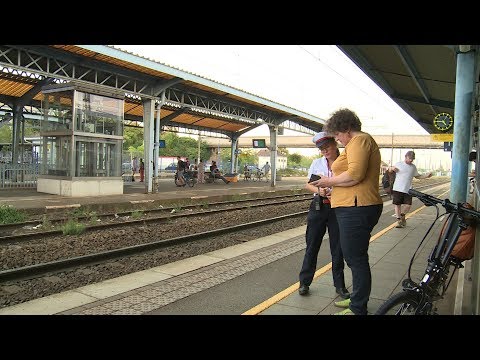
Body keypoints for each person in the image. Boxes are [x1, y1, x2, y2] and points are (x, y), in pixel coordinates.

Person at [310, 108, 383, 315]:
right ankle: (356, 299)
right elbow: (350, 178)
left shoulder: (359, 141)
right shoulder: (355, 143)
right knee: (353, 255)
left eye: (339, 135)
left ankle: (358, 307)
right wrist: (333, 189)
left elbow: (355, 175)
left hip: (357, 207)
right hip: (351, 206)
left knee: (355, 257)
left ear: (347, 129)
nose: (339, 141)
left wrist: (326, 181)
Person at [298, 132, 349, 300]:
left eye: (327, 147)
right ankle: (304, 282)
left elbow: (350, 182)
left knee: (338, 248)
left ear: (335, 144)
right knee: (312, 245)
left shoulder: (345, 162)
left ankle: (340, 285)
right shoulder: (317, 163)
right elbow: (308, 184)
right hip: (319, 207)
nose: (325, 151)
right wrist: (320, 190)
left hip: (338, 208)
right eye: (321, 149)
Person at [389, 150, 432, 228]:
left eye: (412, 159)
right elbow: (390, 170)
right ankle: (399, 220)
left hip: (408, 189)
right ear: (405, 157)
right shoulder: (398, 164)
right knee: (397, 205)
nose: (411, 160)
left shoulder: (413, 167)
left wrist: (426, 176)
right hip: (397, 188)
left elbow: (417, 176)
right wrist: (392, 168)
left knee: (408, 205)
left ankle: (402, 216)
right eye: (409, 158)